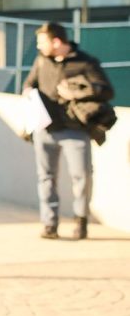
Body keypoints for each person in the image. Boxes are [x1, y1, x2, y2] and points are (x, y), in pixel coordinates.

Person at [23, 21, 115, 240]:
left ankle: (80, 220)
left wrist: (77, 94)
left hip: (75, 130)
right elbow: (29, 84)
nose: (39, 46)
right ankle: (49, 224)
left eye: (41, 41)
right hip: (44, 129)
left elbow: (106, 90)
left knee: (82, 177)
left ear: (56, 41)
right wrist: (28, 92)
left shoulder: (85, 62)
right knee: (46, 177)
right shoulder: (41, 61)